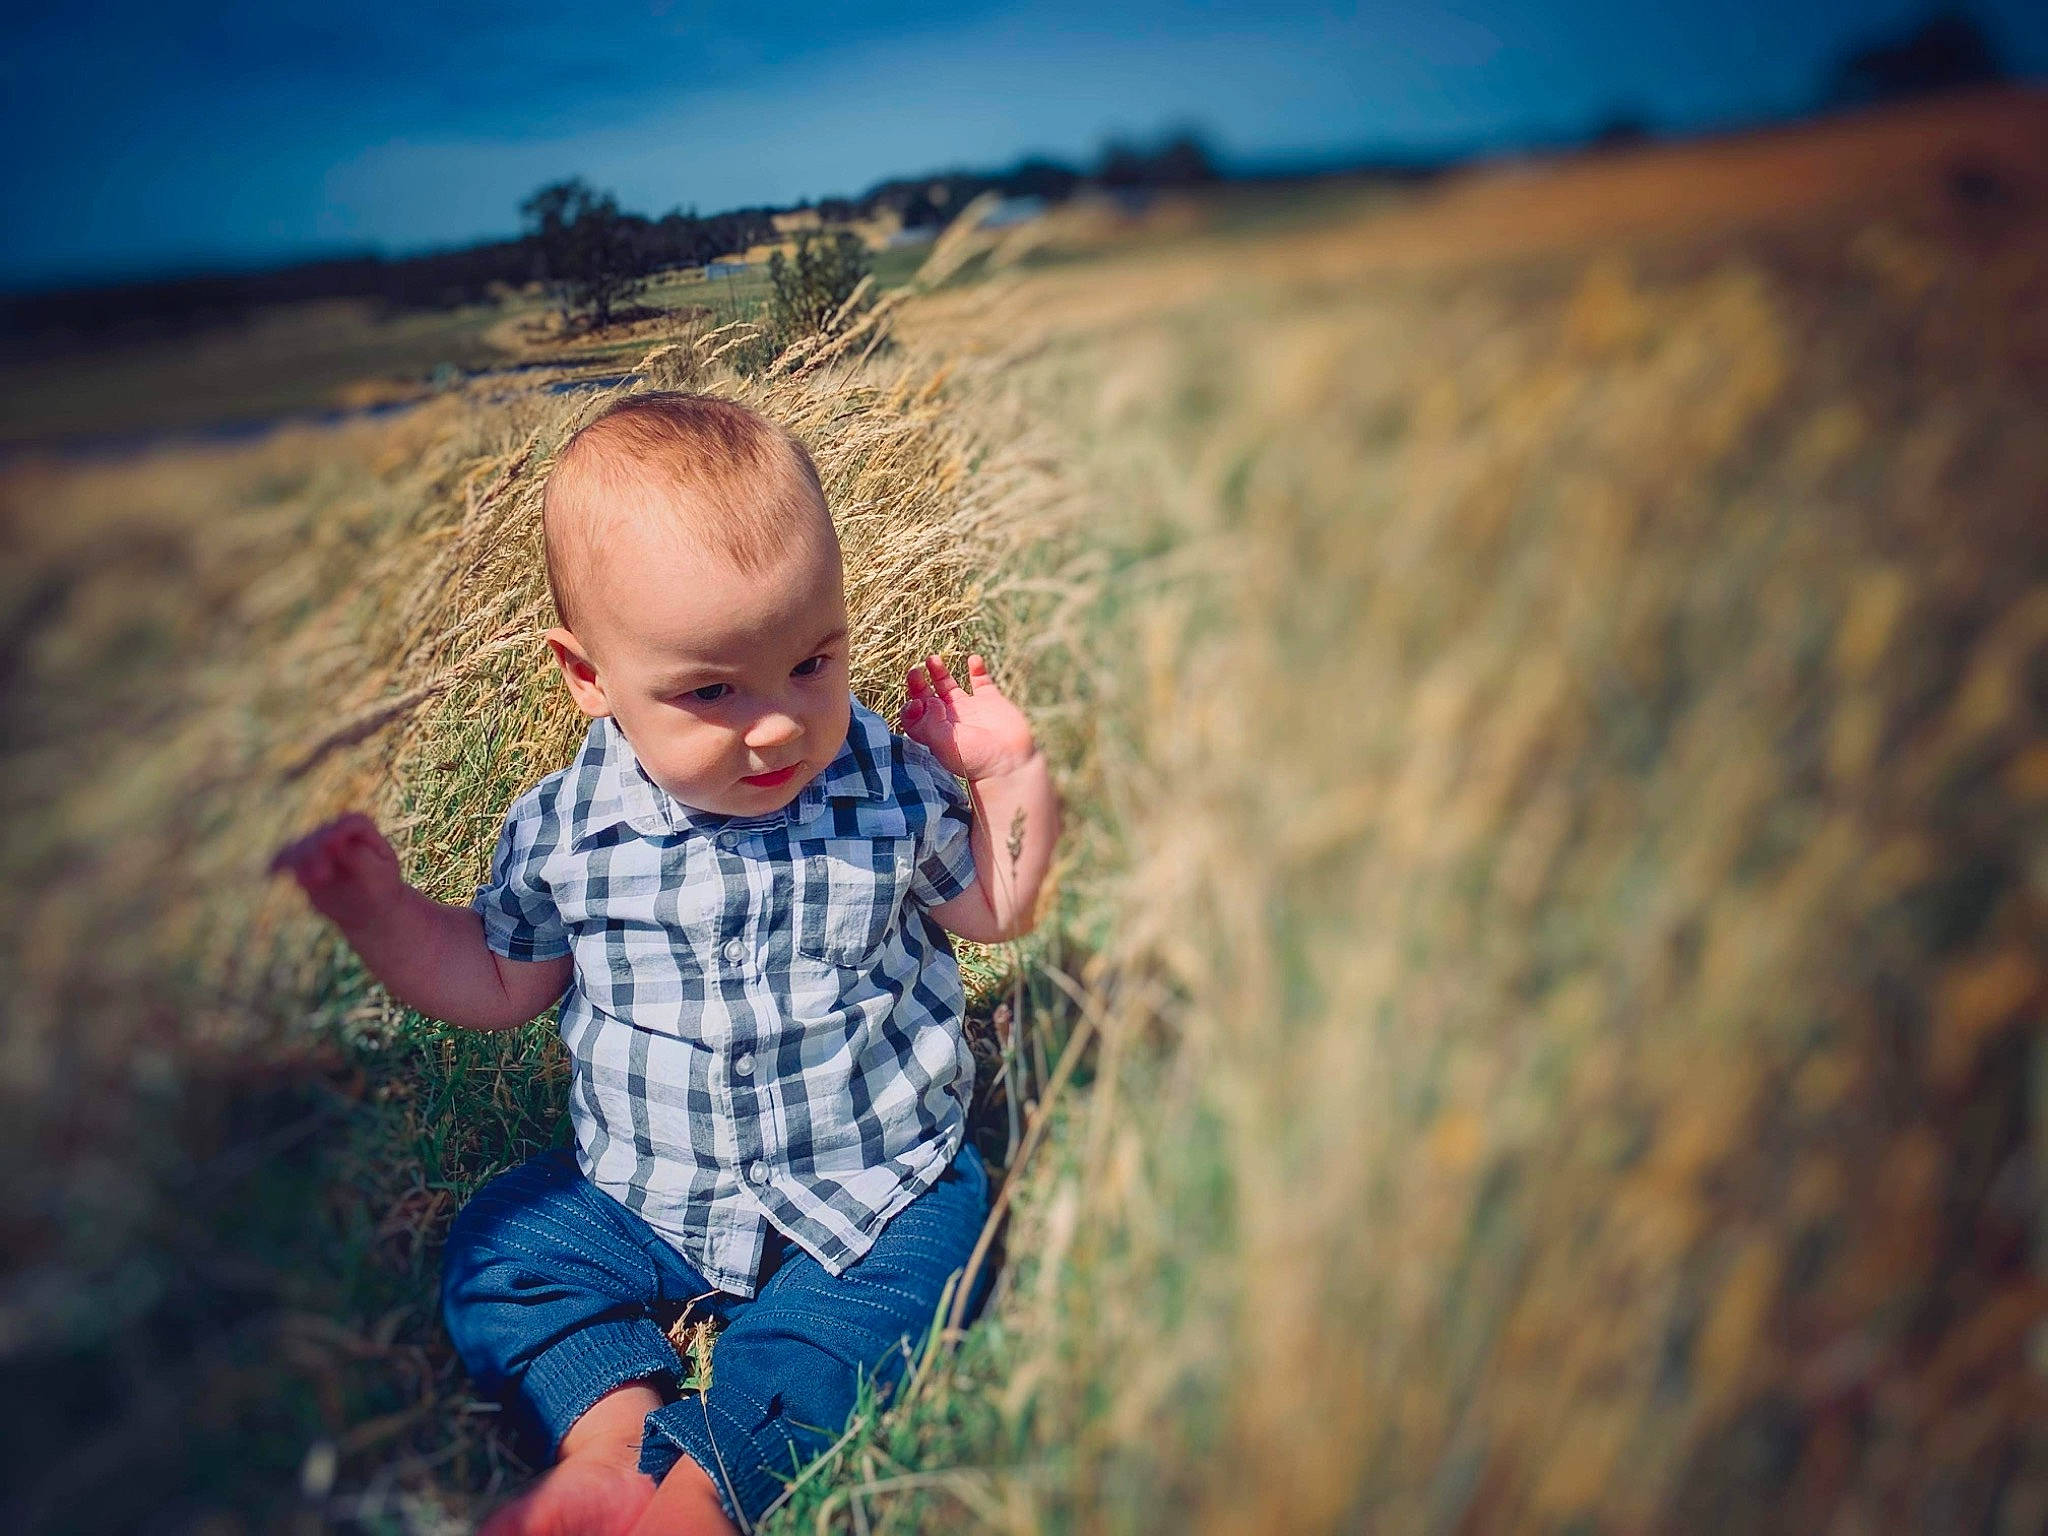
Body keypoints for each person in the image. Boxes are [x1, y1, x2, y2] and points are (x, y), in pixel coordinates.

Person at [272, 392, 1059, 1534]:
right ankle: (605, 1440)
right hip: (647, 1193)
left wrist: (1006, 778)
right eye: (712, 691)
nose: (780, 725)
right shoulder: (568, 827)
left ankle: (706, 1490)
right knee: (504, 1250)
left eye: (811, 662)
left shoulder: (879, 780)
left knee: (897, 1294)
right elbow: (493, 982)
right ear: (589, 676)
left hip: (875, 1184)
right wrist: (381, 913)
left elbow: (996, 903)